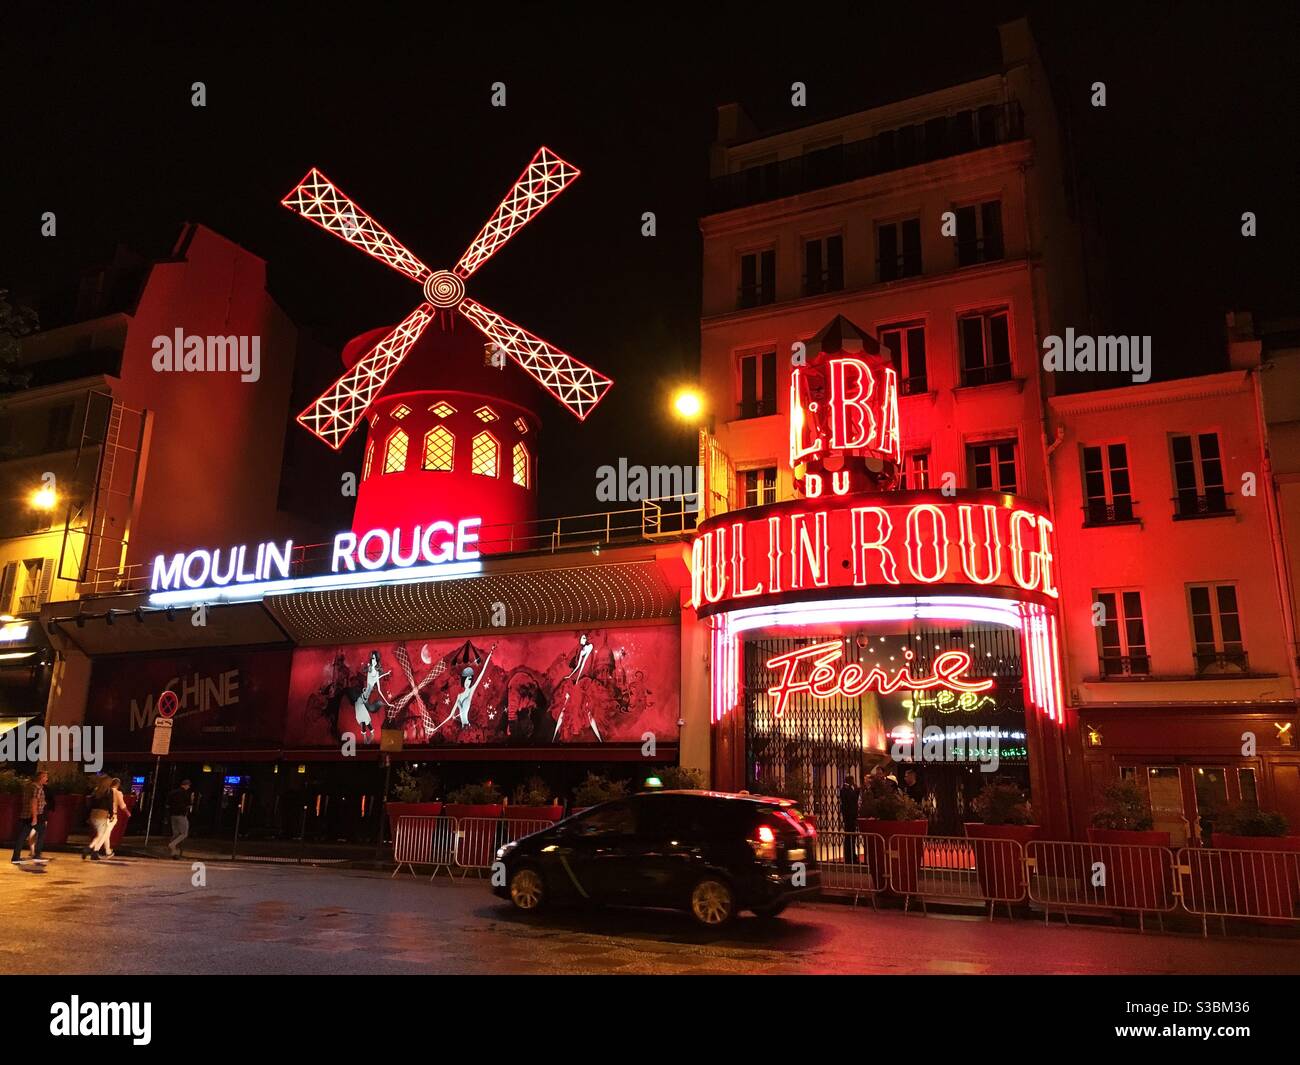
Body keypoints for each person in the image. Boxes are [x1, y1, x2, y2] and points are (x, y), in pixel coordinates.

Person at [11, 770, 49, 864]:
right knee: (42, 832)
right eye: (45, 777)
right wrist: (35, 817)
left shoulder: (28, 786)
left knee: (22, 836)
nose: (47, 779)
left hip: (25, 814)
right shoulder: (37, 787)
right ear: (41, 778)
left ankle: (15, 857)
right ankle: (37, 855)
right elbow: (34, 801)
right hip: (35, 815)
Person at [83, 777, 114, 861]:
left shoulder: (96, 790)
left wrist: (87, 816)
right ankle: (89, 848)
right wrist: (111, 814)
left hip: (93, 813)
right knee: (101, 835)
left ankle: (94, 853)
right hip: (102, 813)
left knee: (99, 834)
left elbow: (90, 803)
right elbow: (110, 804)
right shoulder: (109, 791)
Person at [103, 777, 130, 858]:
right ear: (118, 784)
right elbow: (122, 806)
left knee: (106, 833)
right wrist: (128, 812)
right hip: (112, 815)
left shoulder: (106, 791)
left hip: (103, 814)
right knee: (105, 834)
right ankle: (94, 849)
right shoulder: (118, 793)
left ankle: (107, 851)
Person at [167, 779, 193, 859]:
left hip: (173, 815)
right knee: (184, 833)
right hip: (181, 815)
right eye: (188, 785)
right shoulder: (186, 793)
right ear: (185, 785)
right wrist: (192, 799)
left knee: (176, 833)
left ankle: (173, 853)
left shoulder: (172, 793)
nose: (188, 787)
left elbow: (168, 804)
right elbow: (189, 804)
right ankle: (172, 845)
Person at [838, 774, 860, 865]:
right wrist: (857, 790)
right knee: (849, 837)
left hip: (851, 816)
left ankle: (852, 856)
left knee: (851, 837)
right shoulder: (845, 790)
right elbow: (852, 800)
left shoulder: (848, 789)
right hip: (849, 817)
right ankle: (849, 857)